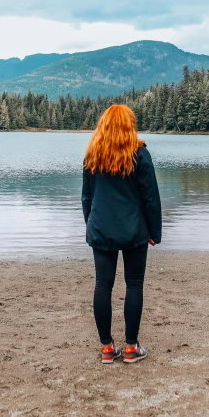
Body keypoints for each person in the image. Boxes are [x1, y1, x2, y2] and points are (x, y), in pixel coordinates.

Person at [82, 104, 162, 364]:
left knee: (103, 285)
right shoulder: (140, 153)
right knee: (134, 284)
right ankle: (131, 347)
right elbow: (150, 197)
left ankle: (107, 348)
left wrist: (91, 224)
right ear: (130, 125)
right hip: (134, 229)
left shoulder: (93, 153)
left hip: (102, 228)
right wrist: (154, 231)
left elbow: (87, 196)